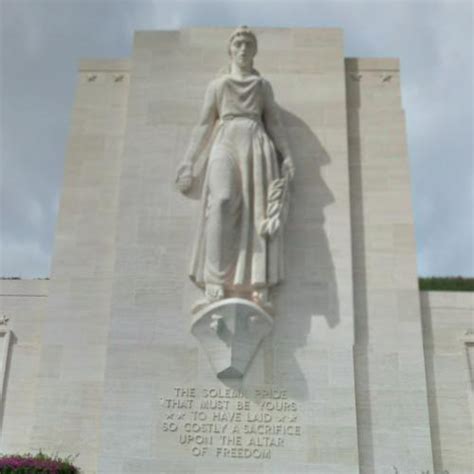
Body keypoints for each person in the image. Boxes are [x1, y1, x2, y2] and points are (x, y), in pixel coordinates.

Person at [176, 26, 295, 312]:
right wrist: (188, 162)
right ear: (230, 49)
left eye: (248, 45)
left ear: (254, 51)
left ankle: (257, 283)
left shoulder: (263, 87)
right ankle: (215, 279)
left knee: (258, 215)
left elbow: (275, 123)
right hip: (225, 139)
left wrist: (287, 155)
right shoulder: (218, 86)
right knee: (221, 201)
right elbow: (204, 124)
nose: (243, 49)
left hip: (255, 143)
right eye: (238, 44)